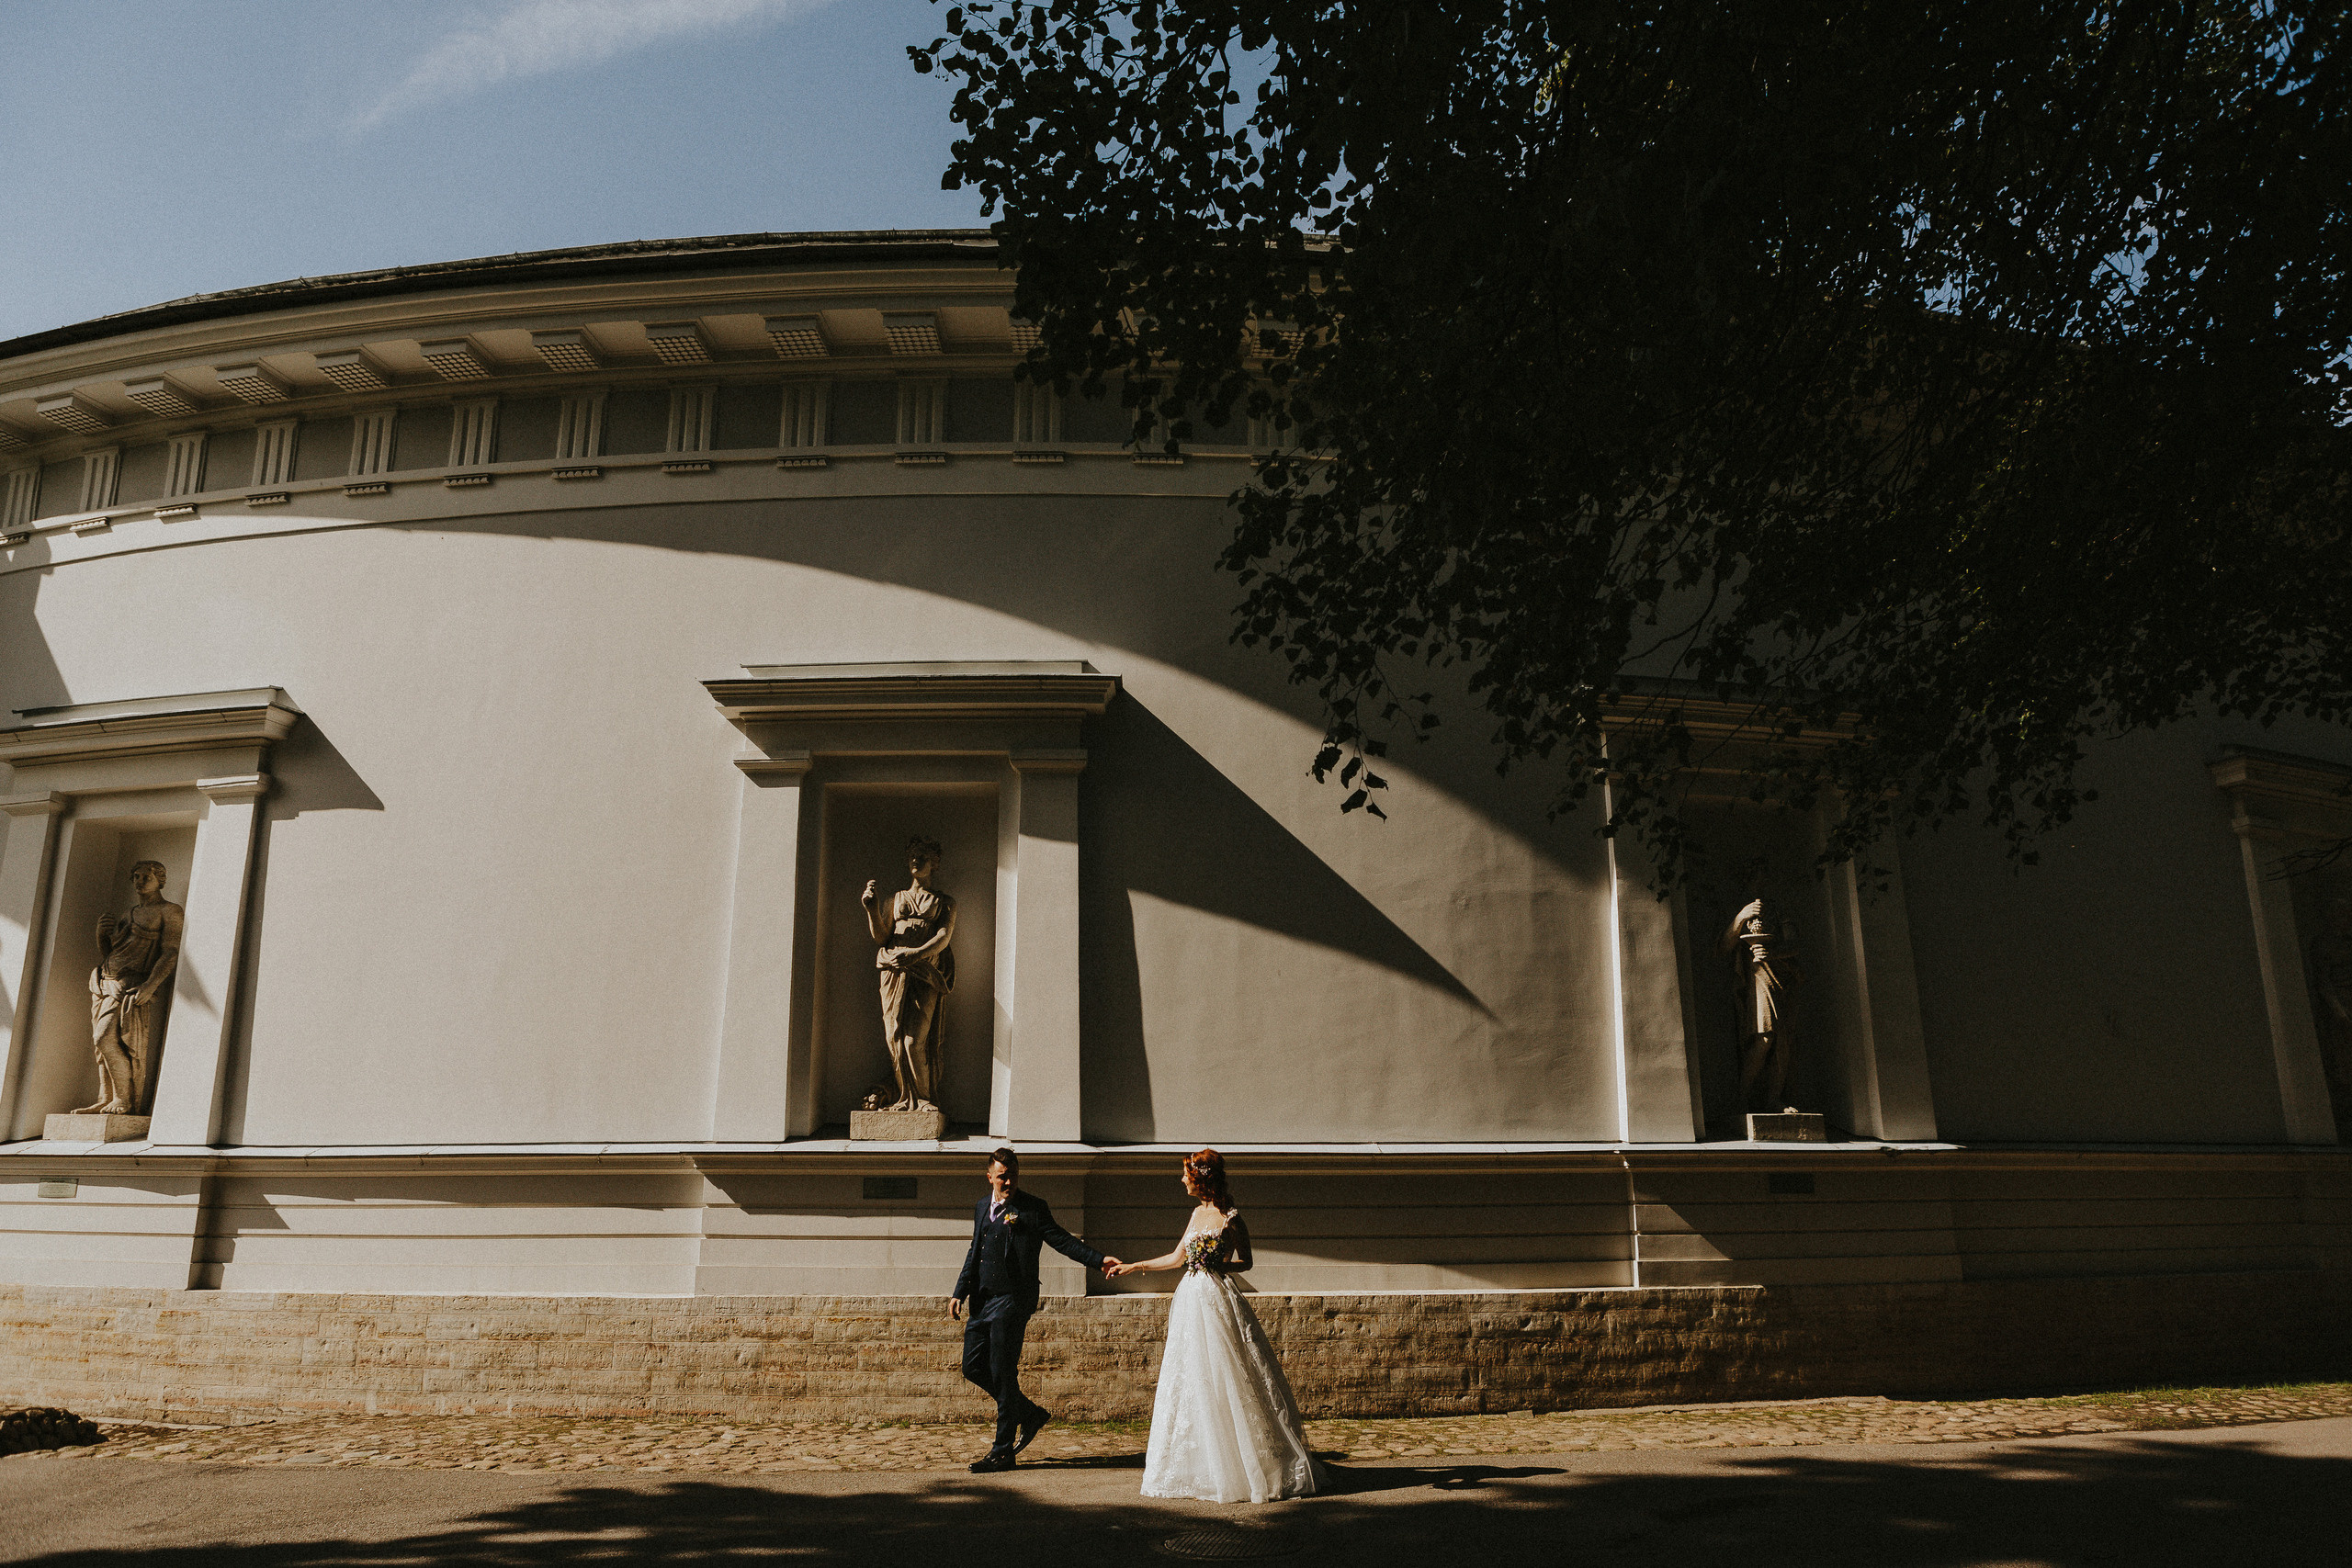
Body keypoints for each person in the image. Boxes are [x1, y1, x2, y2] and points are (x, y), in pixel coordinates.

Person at [1107, 1149, 1323, 1504]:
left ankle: (1244, 1464)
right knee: (1191, 1374)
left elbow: (1247, 1262)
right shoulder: (1196, 1214)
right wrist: (1135, 1265)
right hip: (1190, 1299)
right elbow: (1176, 1257)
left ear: (1200, 1178)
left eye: (1186, 1174)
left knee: (1229, 1372)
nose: (1182, 1180)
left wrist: (1217, 1265)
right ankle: (1204, 1463)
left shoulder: (1231, 1218)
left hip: (1217, 1298)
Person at [951, 1146, 1122, 1472]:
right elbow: (975, 1251)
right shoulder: (981, 1207)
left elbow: (1062, 1240)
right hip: (982, 1302)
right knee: (972, 1367)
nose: (1009, 1182)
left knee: (1003, 1373)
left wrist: (1098, 1260)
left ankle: (1002, 1451)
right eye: (1002, 1176)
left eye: (1013, 1176)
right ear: (990, 1177)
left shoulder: (1032, 1208)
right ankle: (1028, 1413)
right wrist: (959, 1292)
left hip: (1012, 1302)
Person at [73, 860, 182, 1117]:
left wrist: (150, 985)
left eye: (146, 877)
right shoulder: (128, 913)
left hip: (130, 984)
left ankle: (123, 1099)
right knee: (101, 1046)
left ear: (160, 880)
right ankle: (105, 1098)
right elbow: (113, 953)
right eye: (136, 877)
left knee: (106, 1039)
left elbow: (170, 951)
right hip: (104, 981)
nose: (140, 882)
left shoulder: (169, 911)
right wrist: (101, 936)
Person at [860, 835, 956, 1111]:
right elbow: (882, 937)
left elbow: (943, 937)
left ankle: (923, 1099)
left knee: (914, 1041)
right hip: (892, 967)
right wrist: (871, 909)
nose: (916, 860)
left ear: (934, 863)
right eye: (913, 855)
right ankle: (903, 1099)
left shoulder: (945, 902)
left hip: (925, 970)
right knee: (895, 1037)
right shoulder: (896, 899)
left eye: (923, 856)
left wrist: (916, 954)